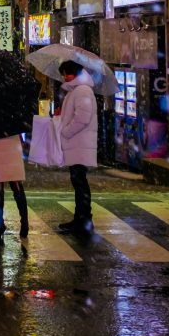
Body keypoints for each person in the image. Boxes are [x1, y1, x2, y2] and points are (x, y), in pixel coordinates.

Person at [56, 60, 98, 237]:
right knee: (78, 181)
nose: (65, 77)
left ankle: (84, 220)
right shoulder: (78, 90)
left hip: (79, 143)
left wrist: (65, 131)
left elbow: (82, 118)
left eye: (67, 73)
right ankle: (81, 218)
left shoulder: (82, 90)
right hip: (77, 143)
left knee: (80, 181)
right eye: (63, 74)